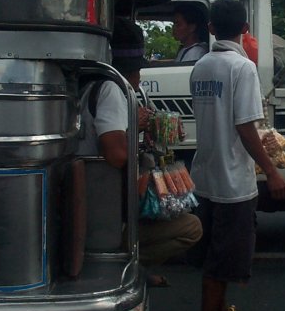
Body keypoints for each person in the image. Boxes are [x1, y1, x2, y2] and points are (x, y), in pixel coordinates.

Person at [188, 0, 285, 311]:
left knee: (217, 250)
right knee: (223, 258)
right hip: (233, 180)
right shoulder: (242, 68)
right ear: (245, 29)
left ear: (211, 28)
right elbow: (245, 127)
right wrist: (273, 171)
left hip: (205, 174)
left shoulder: (201, 66)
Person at [78, 17, 202, 287]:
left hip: (111, 200)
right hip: (106, 205)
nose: (140, 77)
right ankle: (128, 264)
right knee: (191, 228)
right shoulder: (111, 90)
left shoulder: (105, 88)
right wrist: (135, 127)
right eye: (138, 71)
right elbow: (115, 154)